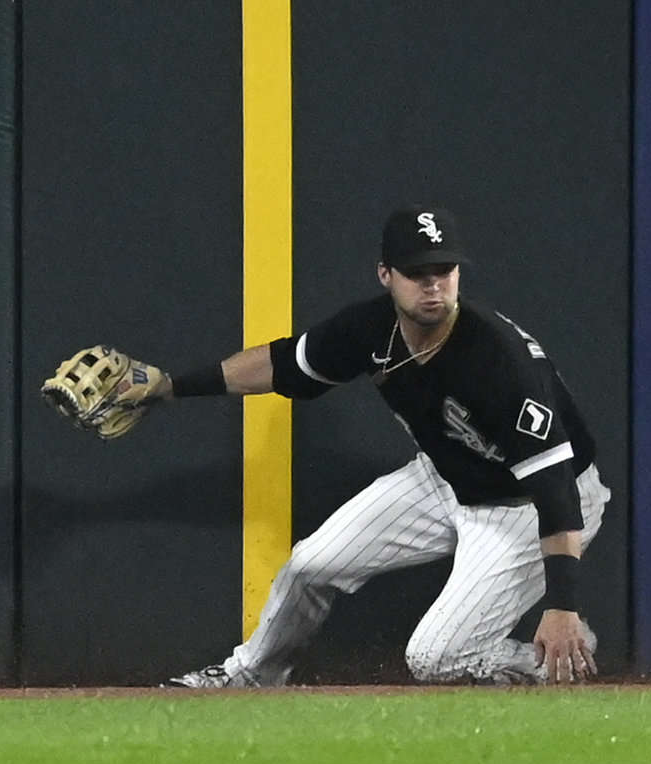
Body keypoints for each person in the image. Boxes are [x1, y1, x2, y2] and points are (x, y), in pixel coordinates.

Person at [160, 205, 610, 686]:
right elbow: (280, 364)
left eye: (444, 270)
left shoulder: (500, 360)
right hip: (447, 475)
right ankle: (250, 676)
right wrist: (167, 387)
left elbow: (555, 489)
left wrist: (562, 604)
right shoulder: (371, 329)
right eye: (417, 273)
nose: (433, 285)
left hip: (530, 503)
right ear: (385, 275)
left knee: (435, 660)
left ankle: (560, 662)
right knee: (309, 565)